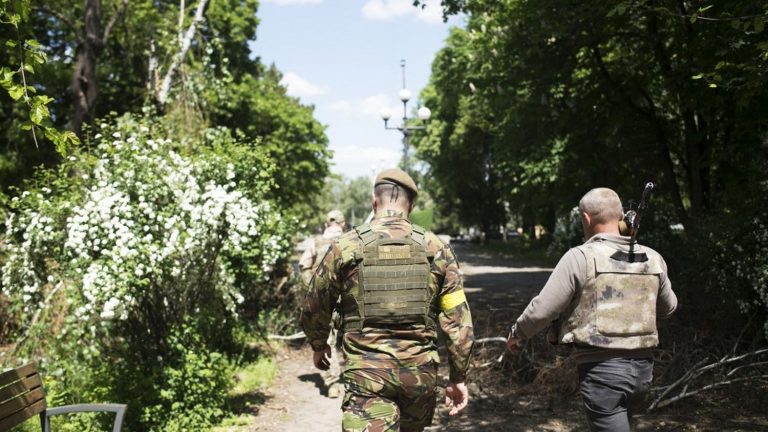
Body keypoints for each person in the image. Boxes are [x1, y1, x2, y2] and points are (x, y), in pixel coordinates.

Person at [301, 168, 475, 432]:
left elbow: (315, 302)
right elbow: (458, 319)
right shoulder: (437, 248)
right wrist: (458, 376)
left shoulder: (346, 246)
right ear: (412, 205)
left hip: (366, 377)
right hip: (418, 376)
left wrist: (318, 344)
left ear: (374, 201)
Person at [506, 187, 678, 432]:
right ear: (620, 217)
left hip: (602, 372)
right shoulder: (653, 258)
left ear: (586, 218)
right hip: (643, 372)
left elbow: (543, 309)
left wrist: (517, 332)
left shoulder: (580, 257)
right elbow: (669, 307)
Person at [298, 209, 347, 398]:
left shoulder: (315, 242)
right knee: (350, 337)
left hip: (324, 300)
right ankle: (354, 380)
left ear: (327, 224)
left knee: (327, 340)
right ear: (343, 224)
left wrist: (313, 291)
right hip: (349, 299)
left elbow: (304, 267)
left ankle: (332, 383)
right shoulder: (352, 240)